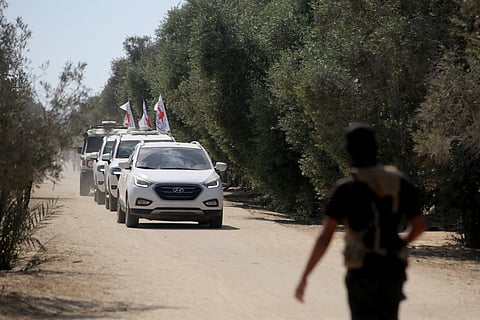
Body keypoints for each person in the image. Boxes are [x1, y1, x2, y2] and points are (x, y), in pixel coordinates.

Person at [295, 123, 427, 320]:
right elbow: (419, 225)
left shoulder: (345, 189)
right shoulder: (399, 181)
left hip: (361, 269)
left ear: (350, 151)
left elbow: (325, 237)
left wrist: (305, 276)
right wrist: (401, 243)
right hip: (392, 267)